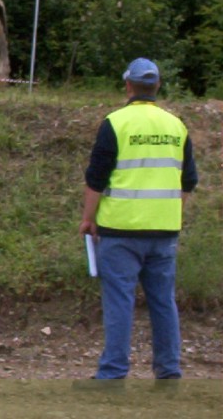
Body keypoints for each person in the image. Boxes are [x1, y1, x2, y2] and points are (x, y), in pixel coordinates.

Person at [77, 58, 198, 387]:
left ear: (128, 85)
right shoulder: (177, 125)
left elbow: (96, 179)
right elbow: (188, 181)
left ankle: (113, 375)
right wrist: (169, 212)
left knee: (119, 301)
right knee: (163, 301)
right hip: (164, 232)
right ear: (157, 85)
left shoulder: (115, 123)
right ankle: (168, 373)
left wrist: (89, 219)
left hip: (120, 230)